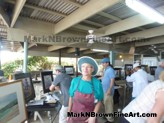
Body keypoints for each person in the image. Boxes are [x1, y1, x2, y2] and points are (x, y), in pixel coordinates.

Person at [67, 56, 104, 123]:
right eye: (83, 66)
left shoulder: (97, 83)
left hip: (89, 119)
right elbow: (71, 97)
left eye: (88, 67)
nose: (85, 69)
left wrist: (93, 116)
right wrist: (68, 113)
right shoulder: (75, 81)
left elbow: (99, 101)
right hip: (74, 118)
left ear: (92, 69)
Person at [101, 57, 115, 123]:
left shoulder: (110, 70)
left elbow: (112, 80)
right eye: (102, 63)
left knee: (108, 105)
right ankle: (107, 116)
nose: (102, 64)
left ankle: (110, 119)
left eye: (103, 63)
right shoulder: (106, 70)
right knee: (106, 104)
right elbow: (104, 77)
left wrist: (109, 89)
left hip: (108, 91)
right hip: (105, 90)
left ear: (107, 63)